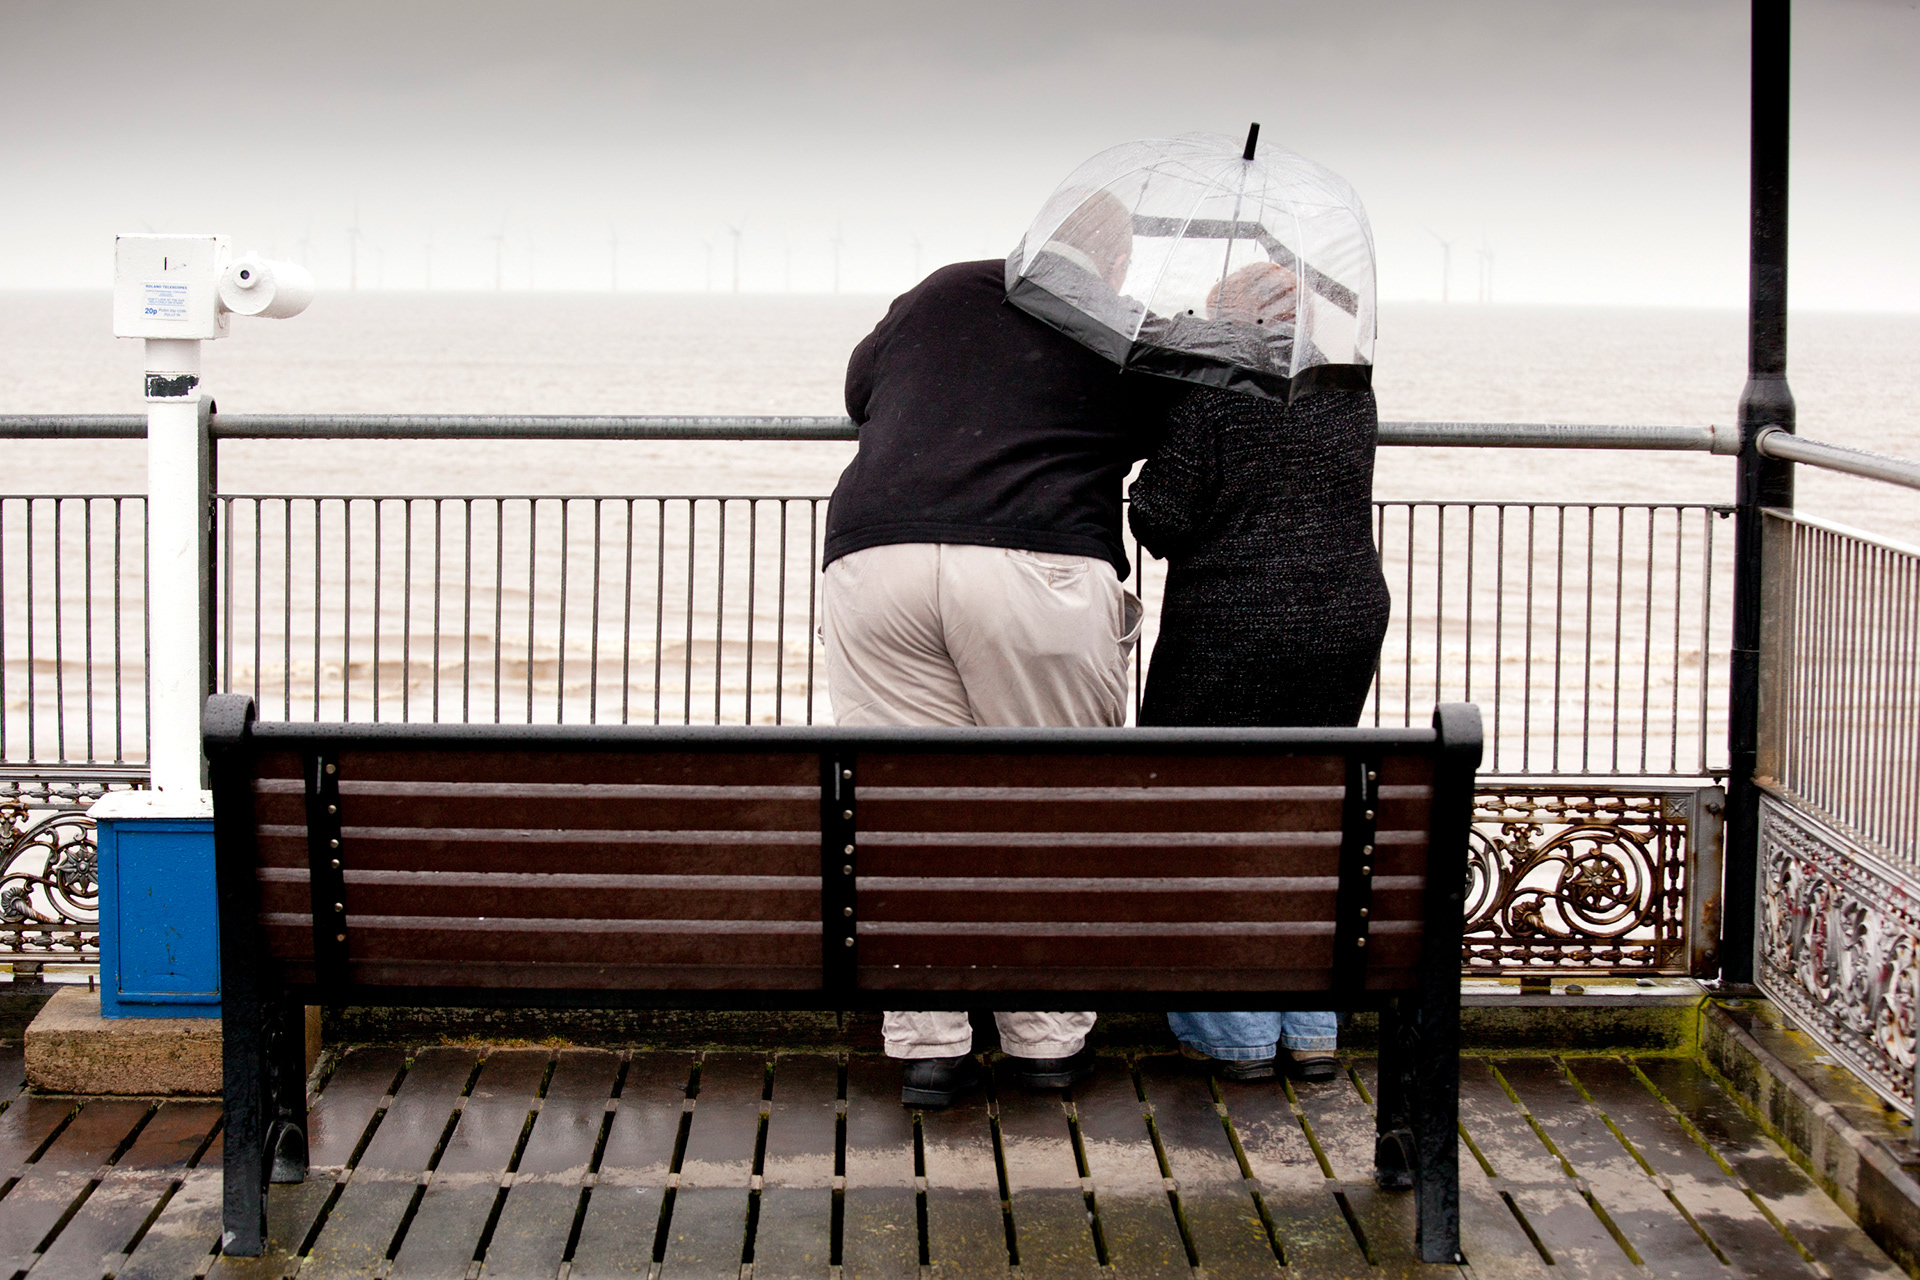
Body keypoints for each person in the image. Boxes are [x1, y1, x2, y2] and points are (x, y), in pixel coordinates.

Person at [821, 193, 1179, 1109]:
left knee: (908, 810)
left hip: (879, 555)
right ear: (1115, 264)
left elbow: (861, 392)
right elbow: (1157, 433)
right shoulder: (1116, 323)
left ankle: (931, 1049)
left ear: (1034, 240)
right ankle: (1043, 1044)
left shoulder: (943, 288)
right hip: (1040, 565)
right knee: (1048, 803)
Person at [1127, 261, 1390, 1083]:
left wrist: (1143, 478)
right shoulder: (1350, 390)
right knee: (1302, 814)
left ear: (1225, 324)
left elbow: (1162, 523)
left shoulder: (1213, 391)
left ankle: (1236, 1035)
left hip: (1233, 631)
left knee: (1205, 817)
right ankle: (1309, 1028)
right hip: (1345, 619)